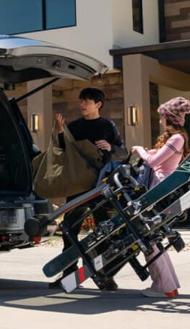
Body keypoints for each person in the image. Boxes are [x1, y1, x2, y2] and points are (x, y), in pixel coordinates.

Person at [50, 87, 129, 290]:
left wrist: (110, 147)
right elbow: (61, 149)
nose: (82, 104)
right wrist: (60, 130)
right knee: (69, 229)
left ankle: (105, 275)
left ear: (98, 104)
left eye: (86, 101)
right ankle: (67, 275)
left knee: (103, 230)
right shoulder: (74, 126)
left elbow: (123, 152)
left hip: (101, 187)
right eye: (81, 101)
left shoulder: (107, 126)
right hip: (78, 184)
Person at [131, 96, 190, 298]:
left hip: (159, 193)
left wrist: (140, 150)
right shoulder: (174, 139)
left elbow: (152, 161)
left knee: (148, 238)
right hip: (158, 191)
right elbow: (159, 159)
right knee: (152, 238)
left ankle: (163, 286)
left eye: (162, 117)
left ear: (170, 118)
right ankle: (168, 285)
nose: (160, 121)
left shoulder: (177, 138)